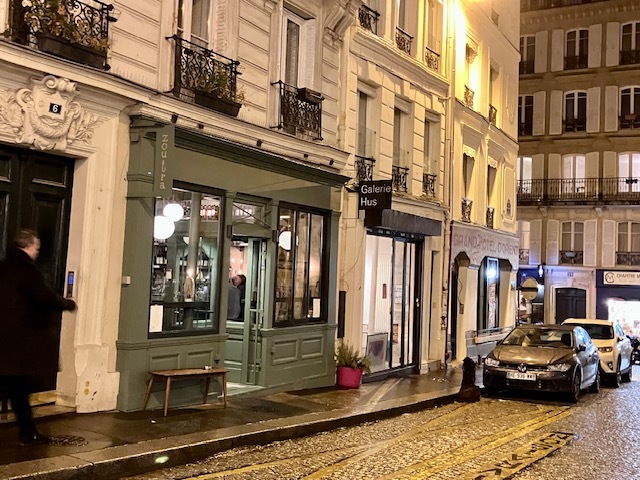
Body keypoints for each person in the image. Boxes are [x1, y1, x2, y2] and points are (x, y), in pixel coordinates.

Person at [0, 229, 77, 445]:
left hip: (5, 341)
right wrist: (67, 304)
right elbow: (45, 296)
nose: (37, 252)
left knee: (15, 388)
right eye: (36, 248)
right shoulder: (26, 270)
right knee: (20, 389)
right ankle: (28, 433)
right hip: (20, 342)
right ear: (29, 247)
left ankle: (28, 431)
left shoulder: (3, 267)